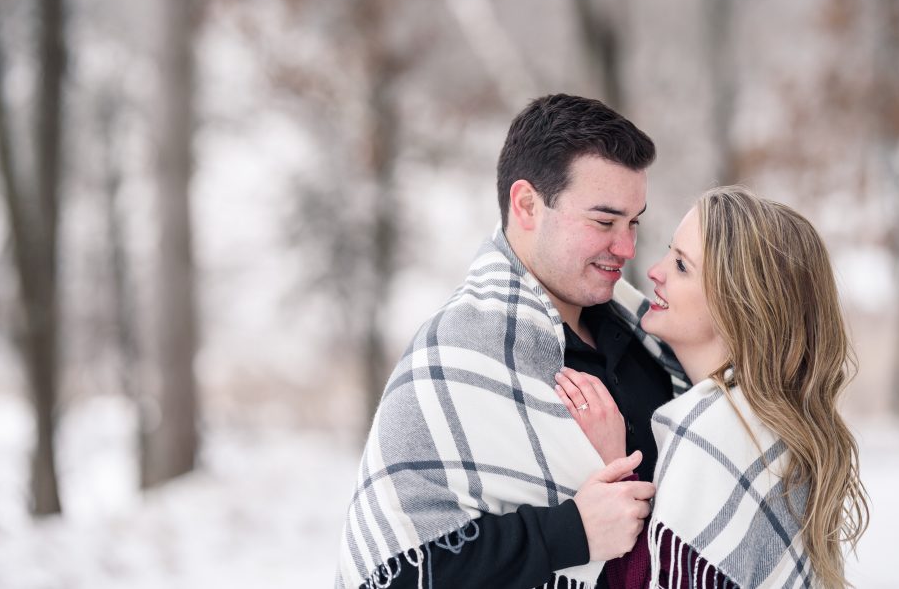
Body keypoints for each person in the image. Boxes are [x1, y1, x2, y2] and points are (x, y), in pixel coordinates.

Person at [336, 94, 689, 589]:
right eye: (604, 222)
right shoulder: (454, 356)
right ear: (527, 205)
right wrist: (572, 532)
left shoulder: (648, 339)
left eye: (634, 222)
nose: (627, 248)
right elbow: (397, 573)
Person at [556, 186, 869, 588]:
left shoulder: (720, 429)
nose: (655, 270)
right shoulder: (768, 419)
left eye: (682, 266)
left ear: (738, 304)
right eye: (670, 251)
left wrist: (615, 469)